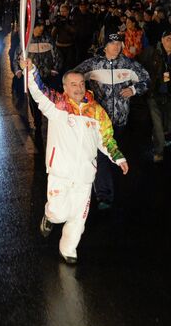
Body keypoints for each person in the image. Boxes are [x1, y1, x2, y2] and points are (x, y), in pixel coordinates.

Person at [22, 57, 128, 263]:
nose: (78, 88)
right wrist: (31, 69)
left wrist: (118, 157)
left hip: (85, 174)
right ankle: (49, 216)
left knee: (79, 217)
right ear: (65, 87)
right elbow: (38, 90)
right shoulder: (57, 105)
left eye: (81, 84)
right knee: (59, 213)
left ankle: (69, 248)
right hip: (60, 172)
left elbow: (106, 138)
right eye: (73, 84)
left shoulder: (96, 111)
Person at [74, 32, 150, 208]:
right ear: (105, 45)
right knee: (101, 154)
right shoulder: (93, 64)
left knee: (114, 153)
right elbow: (73, 78)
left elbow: (146, 79)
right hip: (98, 121)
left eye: (119, 43)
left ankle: (113, 180)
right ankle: (103, 194)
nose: (116, 46)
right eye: (112, 43)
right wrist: (84, 96)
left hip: (121, 119)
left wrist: (134, 89)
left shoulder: (128, 64)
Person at [140, 29, 171, 162]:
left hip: (170, 95)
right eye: (168, 39)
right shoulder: (152, 52)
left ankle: (157, 135)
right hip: (153, 94)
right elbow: (141, 69)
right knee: (158, 125)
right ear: (162, 40)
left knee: (170, 126)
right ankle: (158, 151)